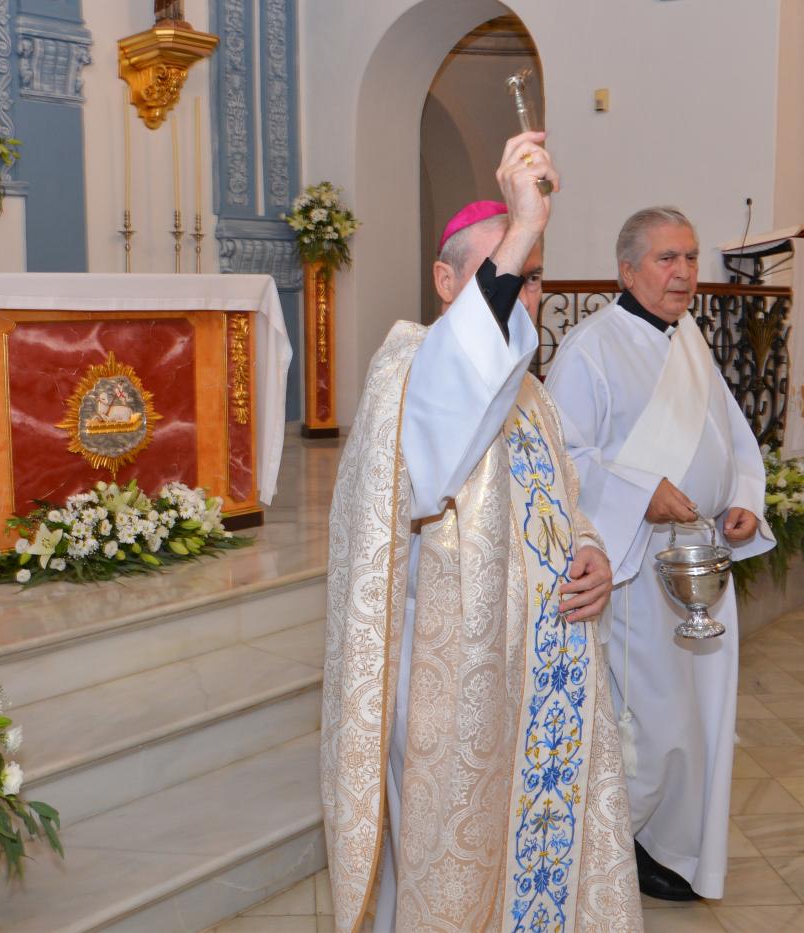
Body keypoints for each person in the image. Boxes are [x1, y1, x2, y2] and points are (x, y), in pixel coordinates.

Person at [322, 133, 641, 932]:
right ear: (445, 281)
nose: (525, 294)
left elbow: (565, 504)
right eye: (510, 270)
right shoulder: (409, 370)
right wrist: (525, 224)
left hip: (544, 680)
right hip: (455, 692)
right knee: (453, 873)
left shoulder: (533, 396)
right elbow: (445, 418)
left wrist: (593, 553)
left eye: (533, 277)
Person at [543, 207, 774, 902]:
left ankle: (673, 842)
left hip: (700, 558)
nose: (683, 272)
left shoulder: (689, 338)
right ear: (627, 270)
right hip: (637, 567)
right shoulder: (590, 348)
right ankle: (622, 842)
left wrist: (743, 498)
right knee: (653, 720)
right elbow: (562, 457)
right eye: (666, 258)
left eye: (691, 257)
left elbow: (731, 437)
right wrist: (640, 494)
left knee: (702, 715)